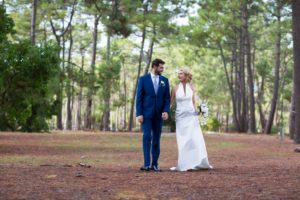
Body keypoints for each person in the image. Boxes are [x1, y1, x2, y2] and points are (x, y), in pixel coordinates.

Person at [170, 68, 213, 171]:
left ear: (186, 75)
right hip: (180, 116)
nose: (179, 75)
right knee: (183, 140)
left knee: (194, 139)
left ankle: (198, 162)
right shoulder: (175, 88)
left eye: (181, 74)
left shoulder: (192, 88)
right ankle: (183, 164)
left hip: (191, 116)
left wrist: (197, 114)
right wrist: (165, 112)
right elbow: (170, 103)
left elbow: (193, 102)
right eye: (178, 74)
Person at [136, 58, 171, 172]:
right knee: (147, 137)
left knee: (156, 139)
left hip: (159, 115)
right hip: (146, 114)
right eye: (161, 67)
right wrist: (139, 113)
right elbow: (139, 98)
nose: (162, 69)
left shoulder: (165, 80)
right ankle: (146, 164)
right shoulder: (143, 79)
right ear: (154, 67)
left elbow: (167, 98)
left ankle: (155, 164)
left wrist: (166, 111)